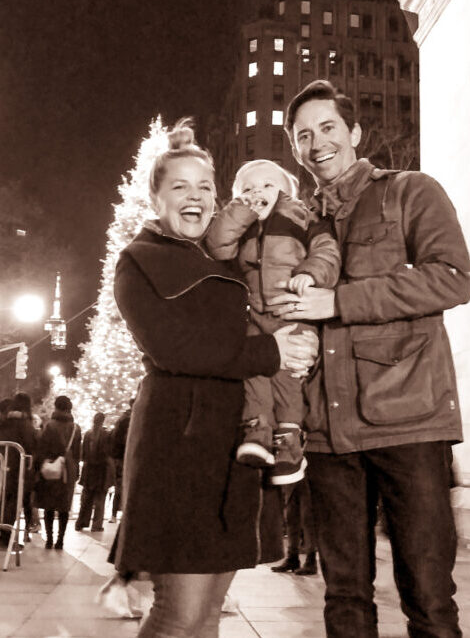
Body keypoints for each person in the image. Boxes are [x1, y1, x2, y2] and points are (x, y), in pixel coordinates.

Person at [267, 79, 470, 637]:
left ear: (354, 132)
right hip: (329, 434)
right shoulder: (298, 221)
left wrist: (339, 300)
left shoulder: (410, 191)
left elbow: (454, 277)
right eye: (302, 135)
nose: (316, 144)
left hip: (409, 423)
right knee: (345, 599)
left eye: (327, 128)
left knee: (429, 599)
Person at [113, 118, 317, 638]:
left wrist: (298, 344)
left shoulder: (227, 260)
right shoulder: (139, 260)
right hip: (177, 452)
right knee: (178, 614)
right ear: (156, 197)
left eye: (205, 186)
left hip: (232, 452)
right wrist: (271, 351)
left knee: (206, 616)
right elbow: (174, 348)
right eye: (179, 186)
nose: (196, 196)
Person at [206, 159, 340, 485]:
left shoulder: (301, 215)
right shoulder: (242, 224)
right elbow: (218, 244)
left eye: (267, 185)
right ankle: (257, 431)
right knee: (255, 373)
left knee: (287, 376)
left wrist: (310, 274)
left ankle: (290, 444)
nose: (257, 192)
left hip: (290, 310)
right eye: (248, 189)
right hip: (254, 313)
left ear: (286, 191)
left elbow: (326, 250)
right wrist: (242, 210)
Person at [34, 395, 81, 550]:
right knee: (64, 506)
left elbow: (42, 448)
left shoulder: (50, 426)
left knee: (49, 505)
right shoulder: (76, 428)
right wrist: (76, 470)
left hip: (52, 468)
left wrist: (39, 466)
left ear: (56, 407)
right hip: (68, 470)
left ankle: (49, 539)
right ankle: (60, 540)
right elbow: (77, 453)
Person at [0, 392, 36, 548]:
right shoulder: (25, 424)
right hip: (17, 469)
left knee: (3, 500)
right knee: (13, 502)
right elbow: (31, 445)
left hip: (3, 466)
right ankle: (5, 537)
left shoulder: (5, 421)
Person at [271, 477, 318, 576]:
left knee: (307, 519)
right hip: (292, 476)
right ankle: (292, 557)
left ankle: (311, 560)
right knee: (291, 517)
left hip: (308, 474)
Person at [75, 412, 111, 532]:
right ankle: (96, 525)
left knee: (86, 499)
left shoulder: (88, 434)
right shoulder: (106, 434)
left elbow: (83, 454)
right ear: (103, 421)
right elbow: (108, 453)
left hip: (88, 471)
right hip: (101, 471)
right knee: (100, 499)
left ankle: (81, 522)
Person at [109, 398, 134, 523]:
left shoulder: (122, 419)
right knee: (124, 487)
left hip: (117, 457)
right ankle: (122, 514)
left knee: (119, 487)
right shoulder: (130, 420)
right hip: (124, 457)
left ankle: (114, 514)